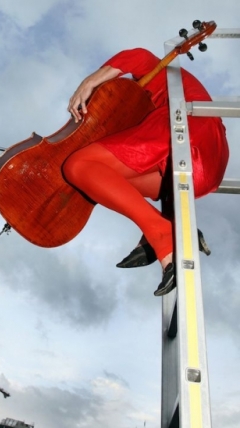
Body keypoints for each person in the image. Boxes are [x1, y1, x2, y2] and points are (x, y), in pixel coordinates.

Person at [62, 48, 229, 296]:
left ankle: (161, 233)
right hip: (205, 169)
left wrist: (90, 81)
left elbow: (138, 56)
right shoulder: (146, 104)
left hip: (187, 129)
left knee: (78, 165)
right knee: (102, 180)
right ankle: (167, 232)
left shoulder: (162, 75)